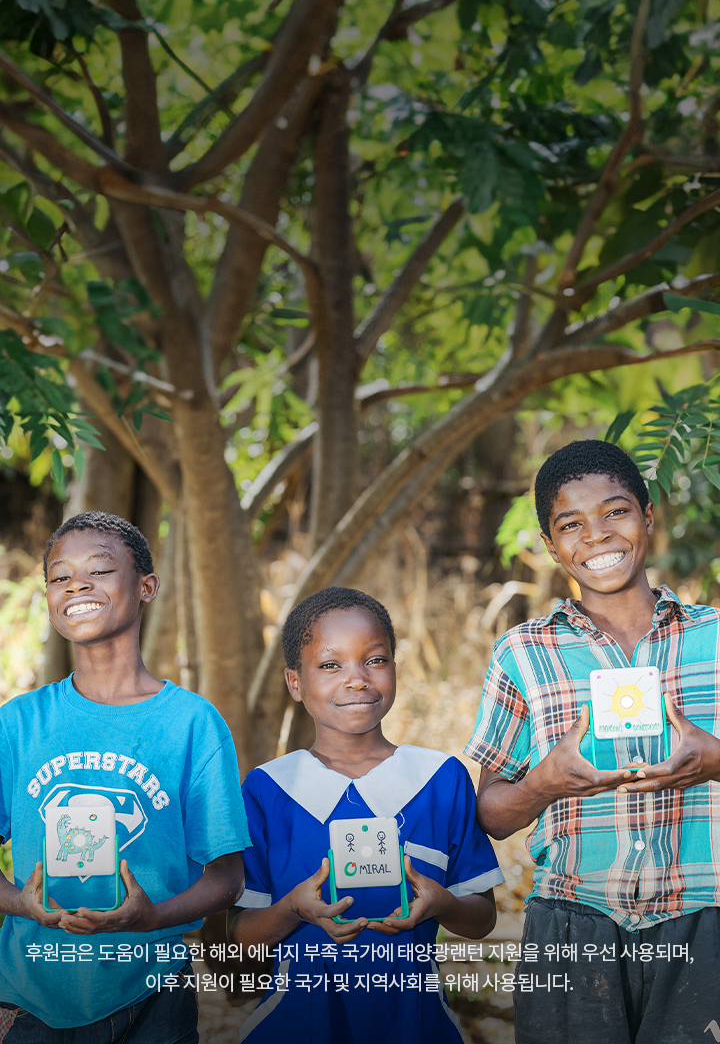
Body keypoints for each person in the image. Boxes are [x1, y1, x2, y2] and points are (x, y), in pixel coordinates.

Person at [464, 439, 720, 1044]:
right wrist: (543, 782)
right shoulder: (524, 653)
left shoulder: (715, 637)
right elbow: (493, 816)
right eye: (571, 524)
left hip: (707, 914)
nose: (598, 535)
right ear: (551, 547)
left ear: (648, 516)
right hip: (572, 922)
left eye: (616, 512)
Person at [0, 512, 250, 1043]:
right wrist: (19, 902)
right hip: (30, 998)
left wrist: (150, 917)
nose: (77, 585)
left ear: (146, 586)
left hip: (154, 996)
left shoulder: (192, 723)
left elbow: (227, 879)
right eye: (60, 576)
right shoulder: (17, 724)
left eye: (99, 570)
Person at [230, 586, 503, 1043]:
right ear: (295, 682)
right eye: (330, 665)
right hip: (296, 1022)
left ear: (395, 669)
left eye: (374, 660)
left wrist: (441, 902)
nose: (356, 679)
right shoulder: (268, 788)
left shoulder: (439, 778)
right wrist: (295, 907)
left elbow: (482, 919)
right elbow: (241, 942)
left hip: (414, 1021)